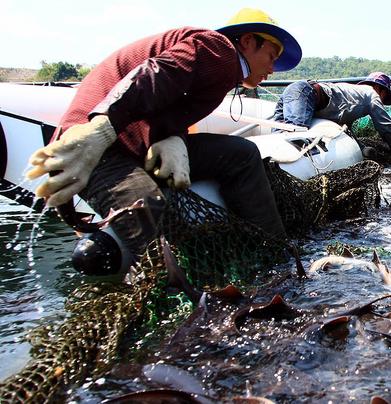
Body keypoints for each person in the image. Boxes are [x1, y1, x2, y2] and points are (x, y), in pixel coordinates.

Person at [25, 8, 302, 272]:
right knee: (150, 212)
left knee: (241, 154)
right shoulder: (219, 49)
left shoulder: (221, 65)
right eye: (271, 55)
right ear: (247, 41)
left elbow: (171, 101)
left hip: (135, 145)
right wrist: (102, 129)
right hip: (96, 145)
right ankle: (182, 291)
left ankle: (275, 254)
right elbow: (156, 74)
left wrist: (175, 137)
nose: (273, 69)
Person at [272, 73, 391, 165]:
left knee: (276, 141)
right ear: (377, 87)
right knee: (293, 140)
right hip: (304, 94)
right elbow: (385, 125)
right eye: (384, 97)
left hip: (296, 93)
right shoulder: (371, 94)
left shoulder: (351, 96)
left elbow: (344, 129)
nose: (382, 101)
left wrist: (362, 148)